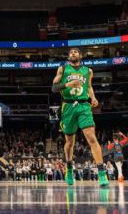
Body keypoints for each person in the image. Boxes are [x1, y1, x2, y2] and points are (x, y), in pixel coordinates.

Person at [51, 48, 109, 187]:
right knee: (70, 142)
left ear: (80, 56)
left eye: (75, 52)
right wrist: (67, 84)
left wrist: (93, 98)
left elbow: (89, 87)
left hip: (83, 106)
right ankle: (69, 168)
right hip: (68, 106)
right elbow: (54, 88)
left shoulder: (88, 71)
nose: (73, 54)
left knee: (91, 138)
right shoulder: (62, 69)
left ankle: (102, 174)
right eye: (70, 52)